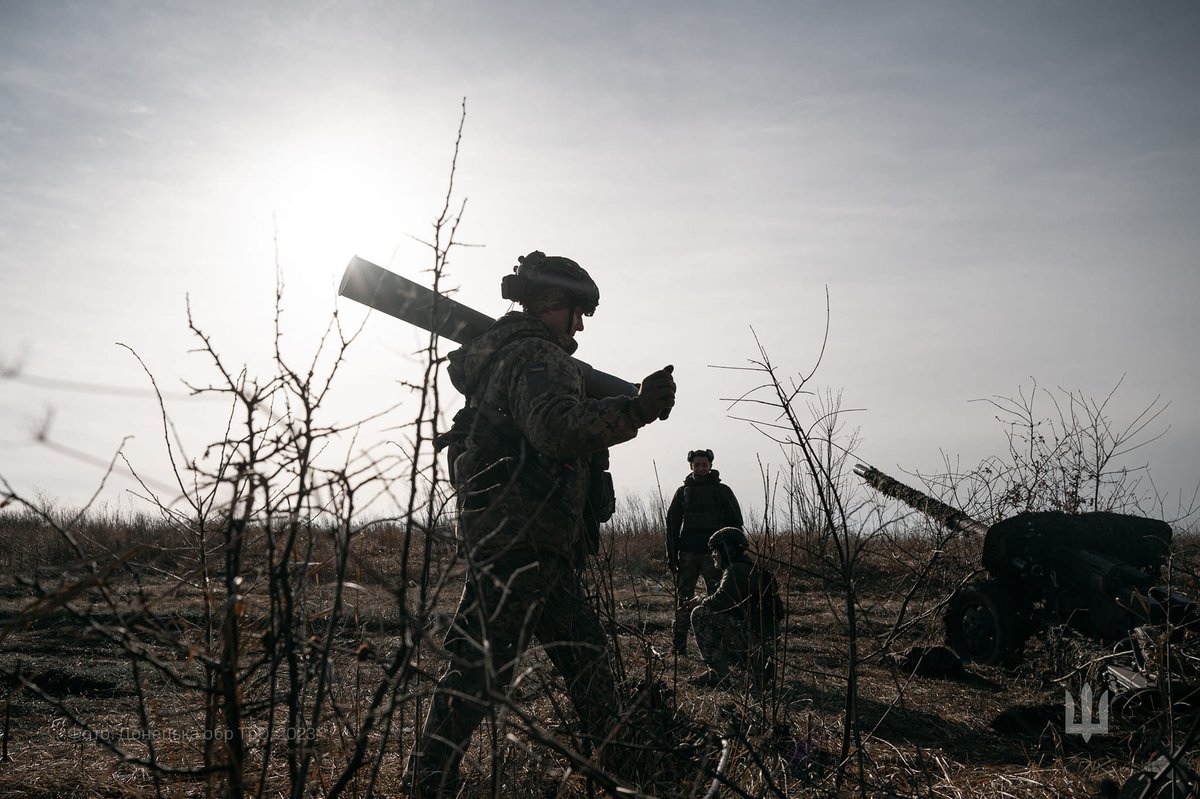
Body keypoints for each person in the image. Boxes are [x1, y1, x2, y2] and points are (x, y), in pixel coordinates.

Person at [408, 250, 676, 796]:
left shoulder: (509, 355)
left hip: (531, 542)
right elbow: (556, 428)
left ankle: (628, 770)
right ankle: (427, 779)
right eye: (576, 312)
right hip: (521, 542)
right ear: (552, 304)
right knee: (481, 668)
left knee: (585, 662)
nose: (579, 326)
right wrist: (636, 409)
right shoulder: (536, 355)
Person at [664, 448, 743, 654]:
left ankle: (719, 645)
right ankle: (679, 646)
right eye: (697, 465)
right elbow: (672, 524)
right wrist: (671, 555)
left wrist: (733, 554)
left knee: (717, 597)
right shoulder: (682, 492)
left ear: (710, 466)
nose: (700, 468)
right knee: (683, 598)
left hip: (714, 555)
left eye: (704, 465)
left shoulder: (722, 490)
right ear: (691, 466)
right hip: (688, 553)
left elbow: (736, 523)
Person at [687, 526, 783, 690]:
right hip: (763, 641)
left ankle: (721, 676)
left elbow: (720, 601)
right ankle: (758, 667)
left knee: (700, 614)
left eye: (716, 550)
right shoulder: (750, 569)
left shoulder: (736, 570)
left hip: (755, 640)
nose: (713, 555)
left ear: (728, 551)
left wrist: (700, 600)